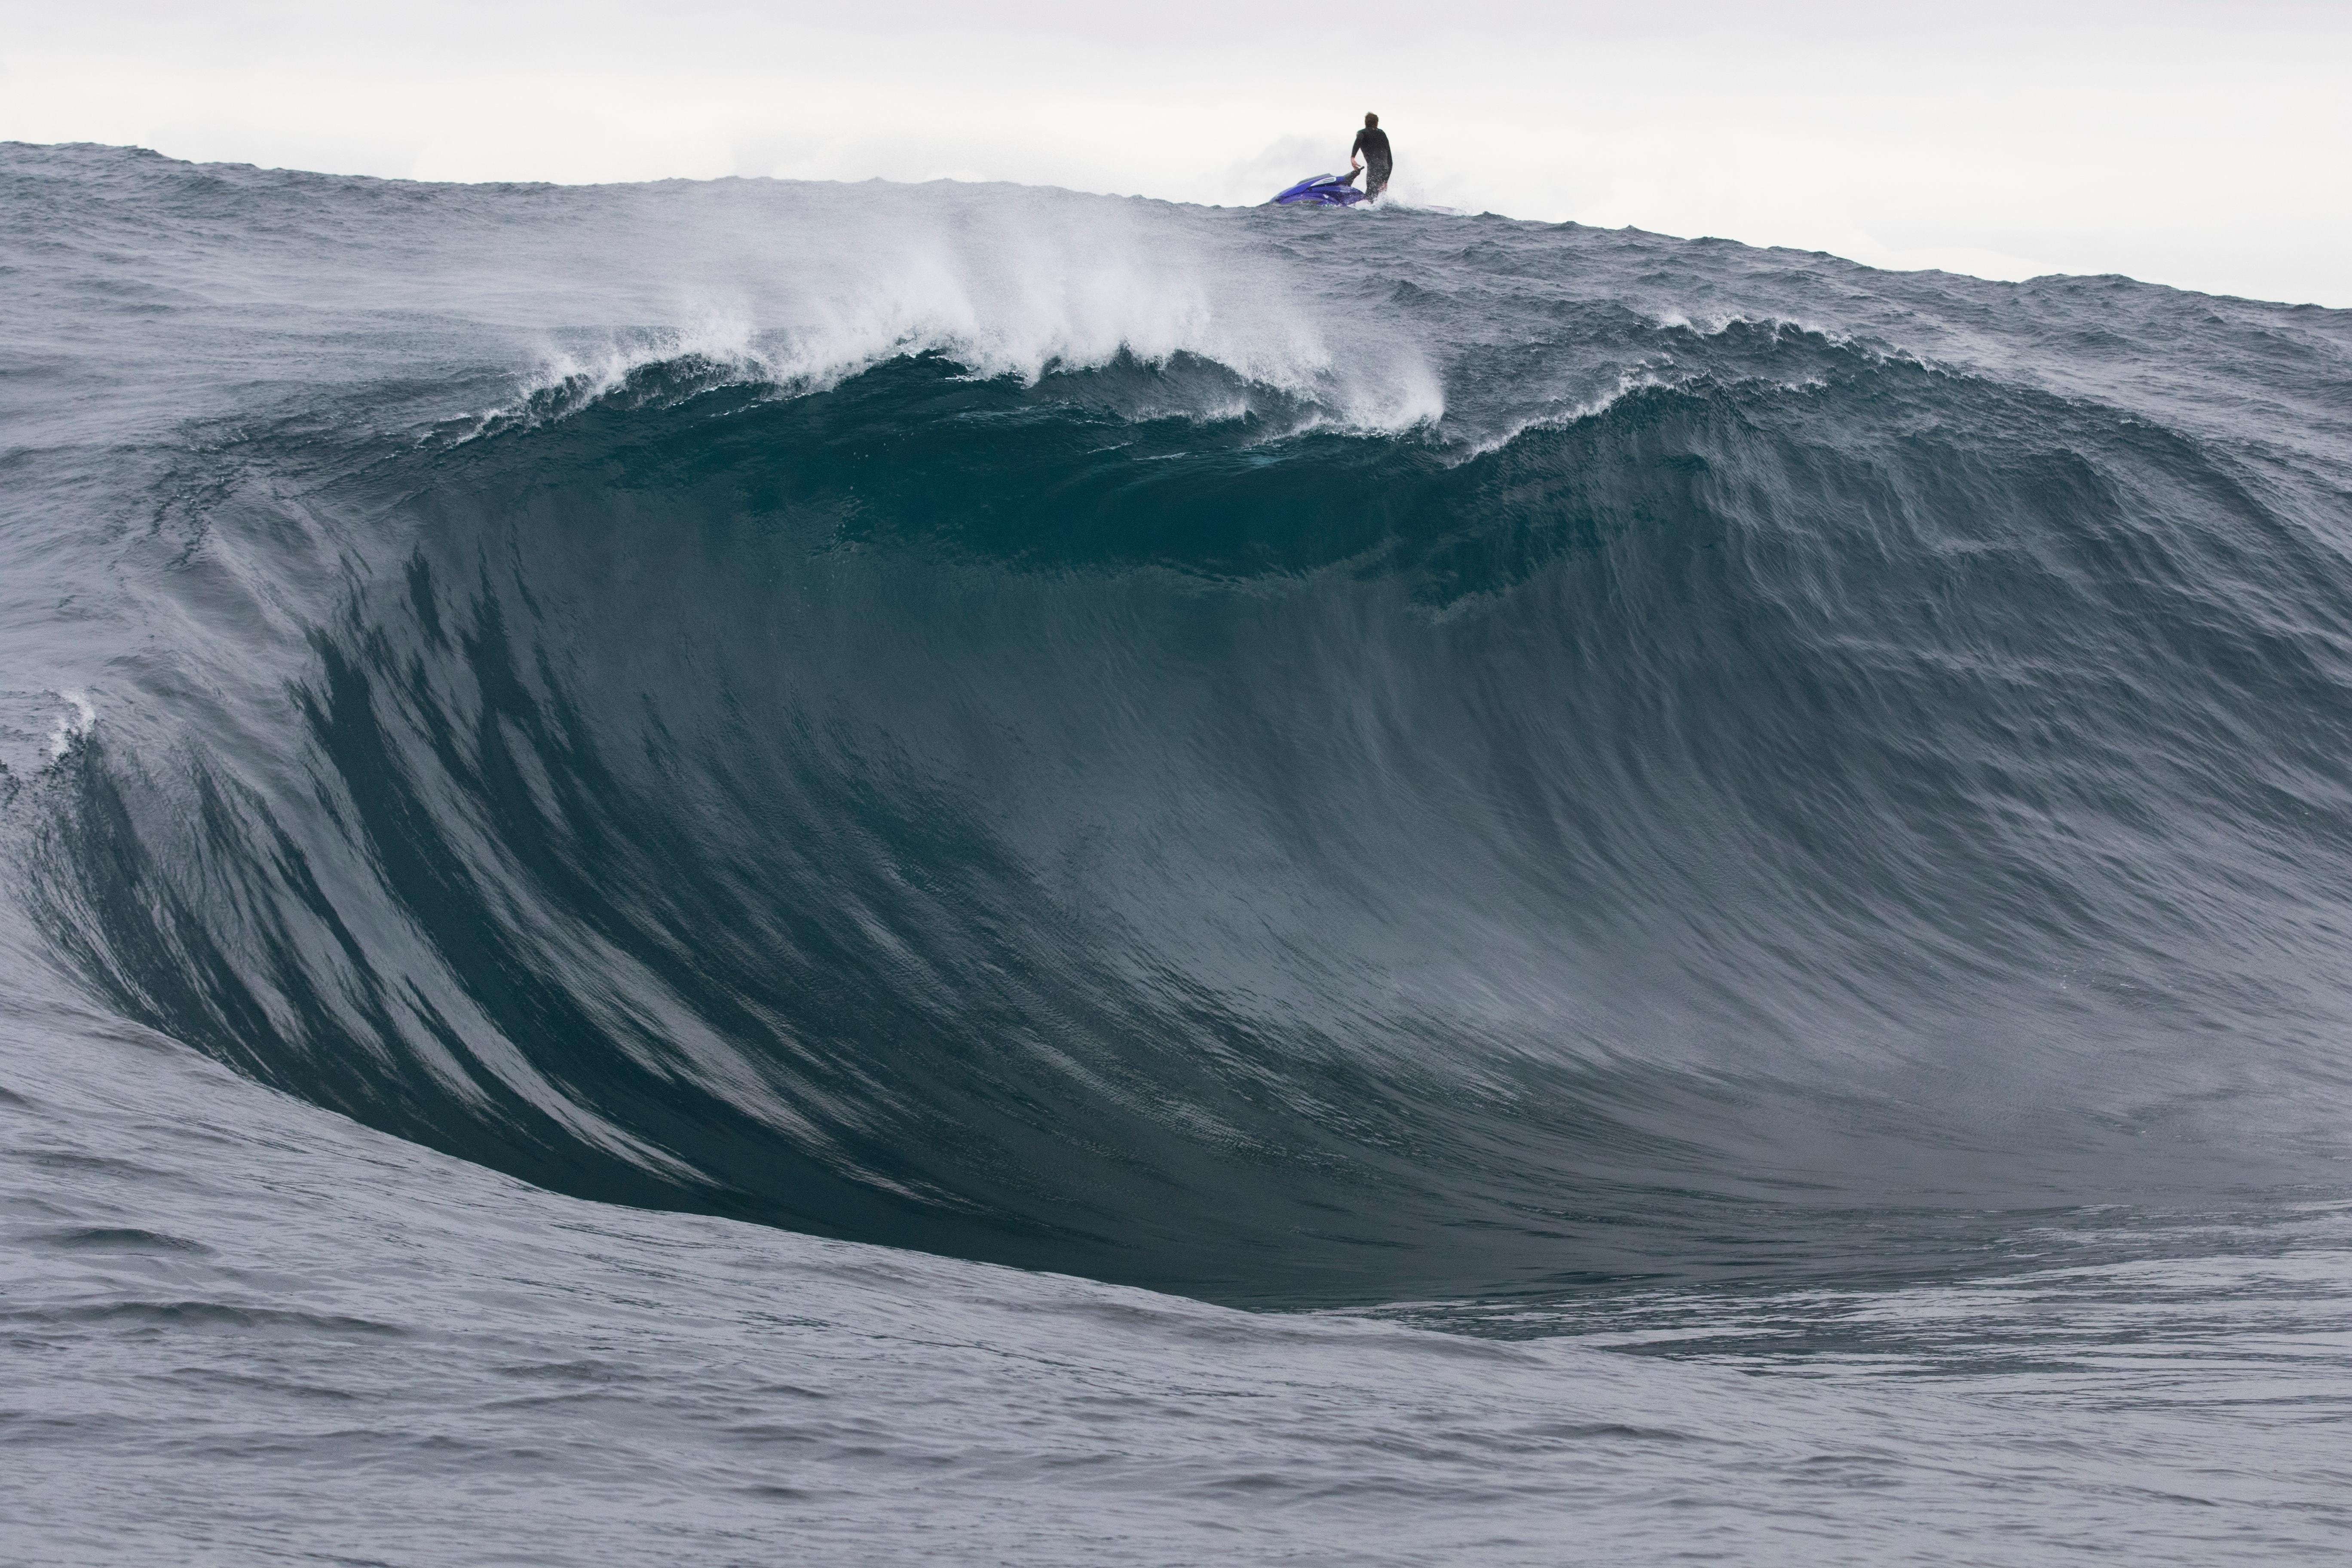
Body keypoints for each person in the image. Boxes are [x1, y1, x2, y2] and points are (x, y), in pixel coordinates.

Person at [1349, 113, 1393, 201]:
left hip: (1374, 168)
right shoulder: (1383, 134)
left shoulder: (1363, 133)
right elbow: (1390, 160)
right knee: (1377, 197)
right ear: (1377, 123)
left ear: (1366, 123)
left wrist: (1353, 157)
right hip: (1385, 168)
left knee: (1370, 196)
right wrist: (1386, 181)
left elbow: (1359, 139)